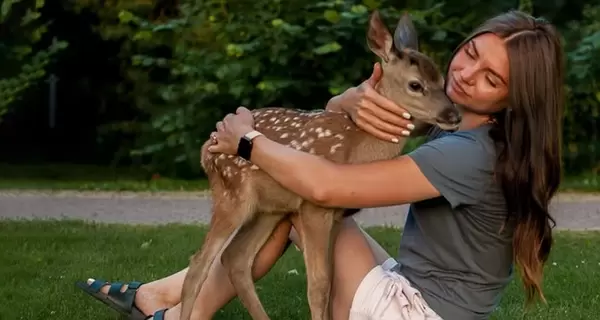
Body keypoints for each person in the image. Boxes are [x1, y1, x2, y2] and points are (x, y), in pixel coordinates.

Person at [76, 10, 564, 320]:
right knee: (296, 196)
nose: (464, 73)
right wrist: (347, 100)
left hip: (417, 313)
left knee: (302, 204)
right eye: (471, 53)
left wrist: (245, 141)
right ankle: (162, 299)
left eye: (490, 78)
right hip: (413, 288)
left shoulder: (465, 154)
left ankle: (175, 310)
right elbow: (343, 134)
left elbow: (327, 184)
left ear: (511, 98)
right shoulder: (463, 127)